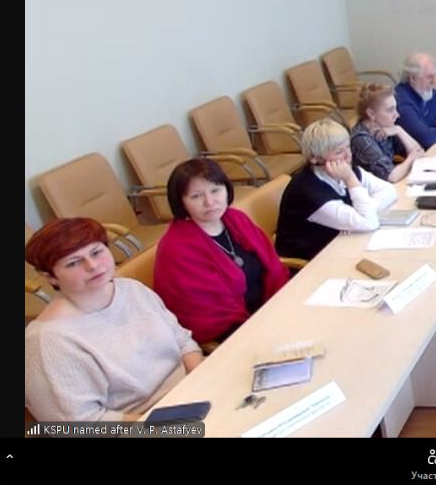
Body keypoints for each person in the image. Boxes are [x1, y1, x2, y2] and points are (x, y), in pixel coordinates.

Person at [25, 218, 203, 422]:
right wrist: (166, 423)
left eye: (96, 252)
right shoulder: (46, 342)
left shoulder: (132, 288)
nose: (92, 266)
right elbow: (80, 424)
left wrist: (202, 380)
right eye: (73, 263)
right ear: (49, 276)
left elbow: (183, 341)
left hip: (193, 395)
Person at [154, 159, 291, 345]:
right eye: (196, 196)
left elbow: (273, 268)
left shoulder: (236, 219)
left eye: (215, 190)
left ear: (227, 189)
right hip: (234, 331)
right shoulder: (176, 249)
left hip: (272, 307)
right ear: (181, 202)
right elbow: (208, 315)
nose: (209, 202)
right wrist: (267, 324)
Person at [275, 119, 398, 262]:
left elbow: (389, 190)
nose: (348, 156)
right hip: (313, 261)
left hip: (341, 244)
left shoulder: (345, 168)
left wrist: (365, 211)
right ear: (315, 158)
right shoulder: (308, 190)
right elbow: (369, 223)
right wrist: (351, 181)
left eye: (348, 147)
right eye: (339, 151)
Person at [350, 83, 425, 183]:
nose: (397, 115)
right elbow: (391, 177)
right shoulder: (361, 139)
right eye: (390, 110)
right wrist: (411, 158)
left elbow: (419, 152)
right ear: (371, 114)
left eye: (395, 109)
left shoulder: (387, 128)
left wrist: (399, 130)